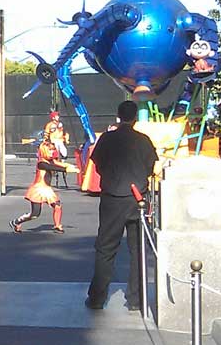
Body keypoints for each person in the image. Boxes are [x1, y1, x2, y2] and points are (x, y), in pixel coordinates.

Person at [86, 100, 158, 311]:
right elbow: (150, 167)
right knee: (138, 250)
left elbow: (97, 163)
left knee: (105, 249)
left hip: (112, 198)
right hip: (137, 199)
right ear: (135, 117)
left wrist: (111, 178)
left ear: (118, 116)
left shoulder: (107, 139)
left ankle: (97, 298)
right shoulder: (144, 140)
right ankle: (136, 299)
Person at [12, 137, 77, 234]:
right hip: (38, 189)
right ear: (44, 151)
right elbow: (51, 167)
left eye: (53, 150)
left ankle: (57, 226)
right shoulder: (41, 163)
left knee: (57, 206)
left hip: (47, 189)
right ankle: (17, 221)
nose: (52, 152)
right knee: (35, 214)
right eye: (50, 150)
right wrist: (66, 170)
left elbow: (57, 164)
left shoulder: (51, 161)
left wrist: (69, 166)